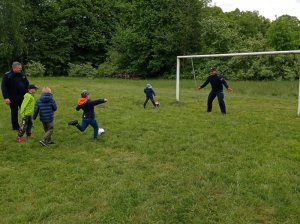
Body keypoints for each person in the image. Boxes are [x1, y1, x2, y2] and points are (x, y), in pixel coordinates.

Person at [1, 62, 29, 130]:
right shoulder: (7, 75)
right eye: (19, 68)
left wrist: (29, 92)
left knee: (25, 111)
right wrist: (6, 98)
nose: (20, 69)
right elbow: (3, 87)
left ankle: (26, 124)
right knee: (14, 112)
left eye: (21, 68)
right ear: (14, 68)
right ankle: (15, 127)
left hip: (23, 96)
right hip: (13, 97)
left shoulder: (22, 74)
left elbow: (27, 84)